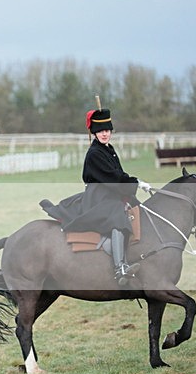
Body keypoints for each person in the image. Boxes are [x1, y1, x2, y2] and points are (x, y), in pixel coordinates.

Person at [42, 107, 152, 285]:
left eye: (107, 130)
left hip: (111, 192)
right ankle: (120, 267)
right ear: (94, 133)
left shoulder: (108, 149)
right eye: (100, 131)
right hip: (99, 197)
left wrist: (134, 182)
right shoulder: (95, 153)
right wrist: (136, 182)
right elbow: (113, 178)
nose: (104, 134)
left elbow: (117, 175)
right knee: (117, 215)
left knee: (137, 207)